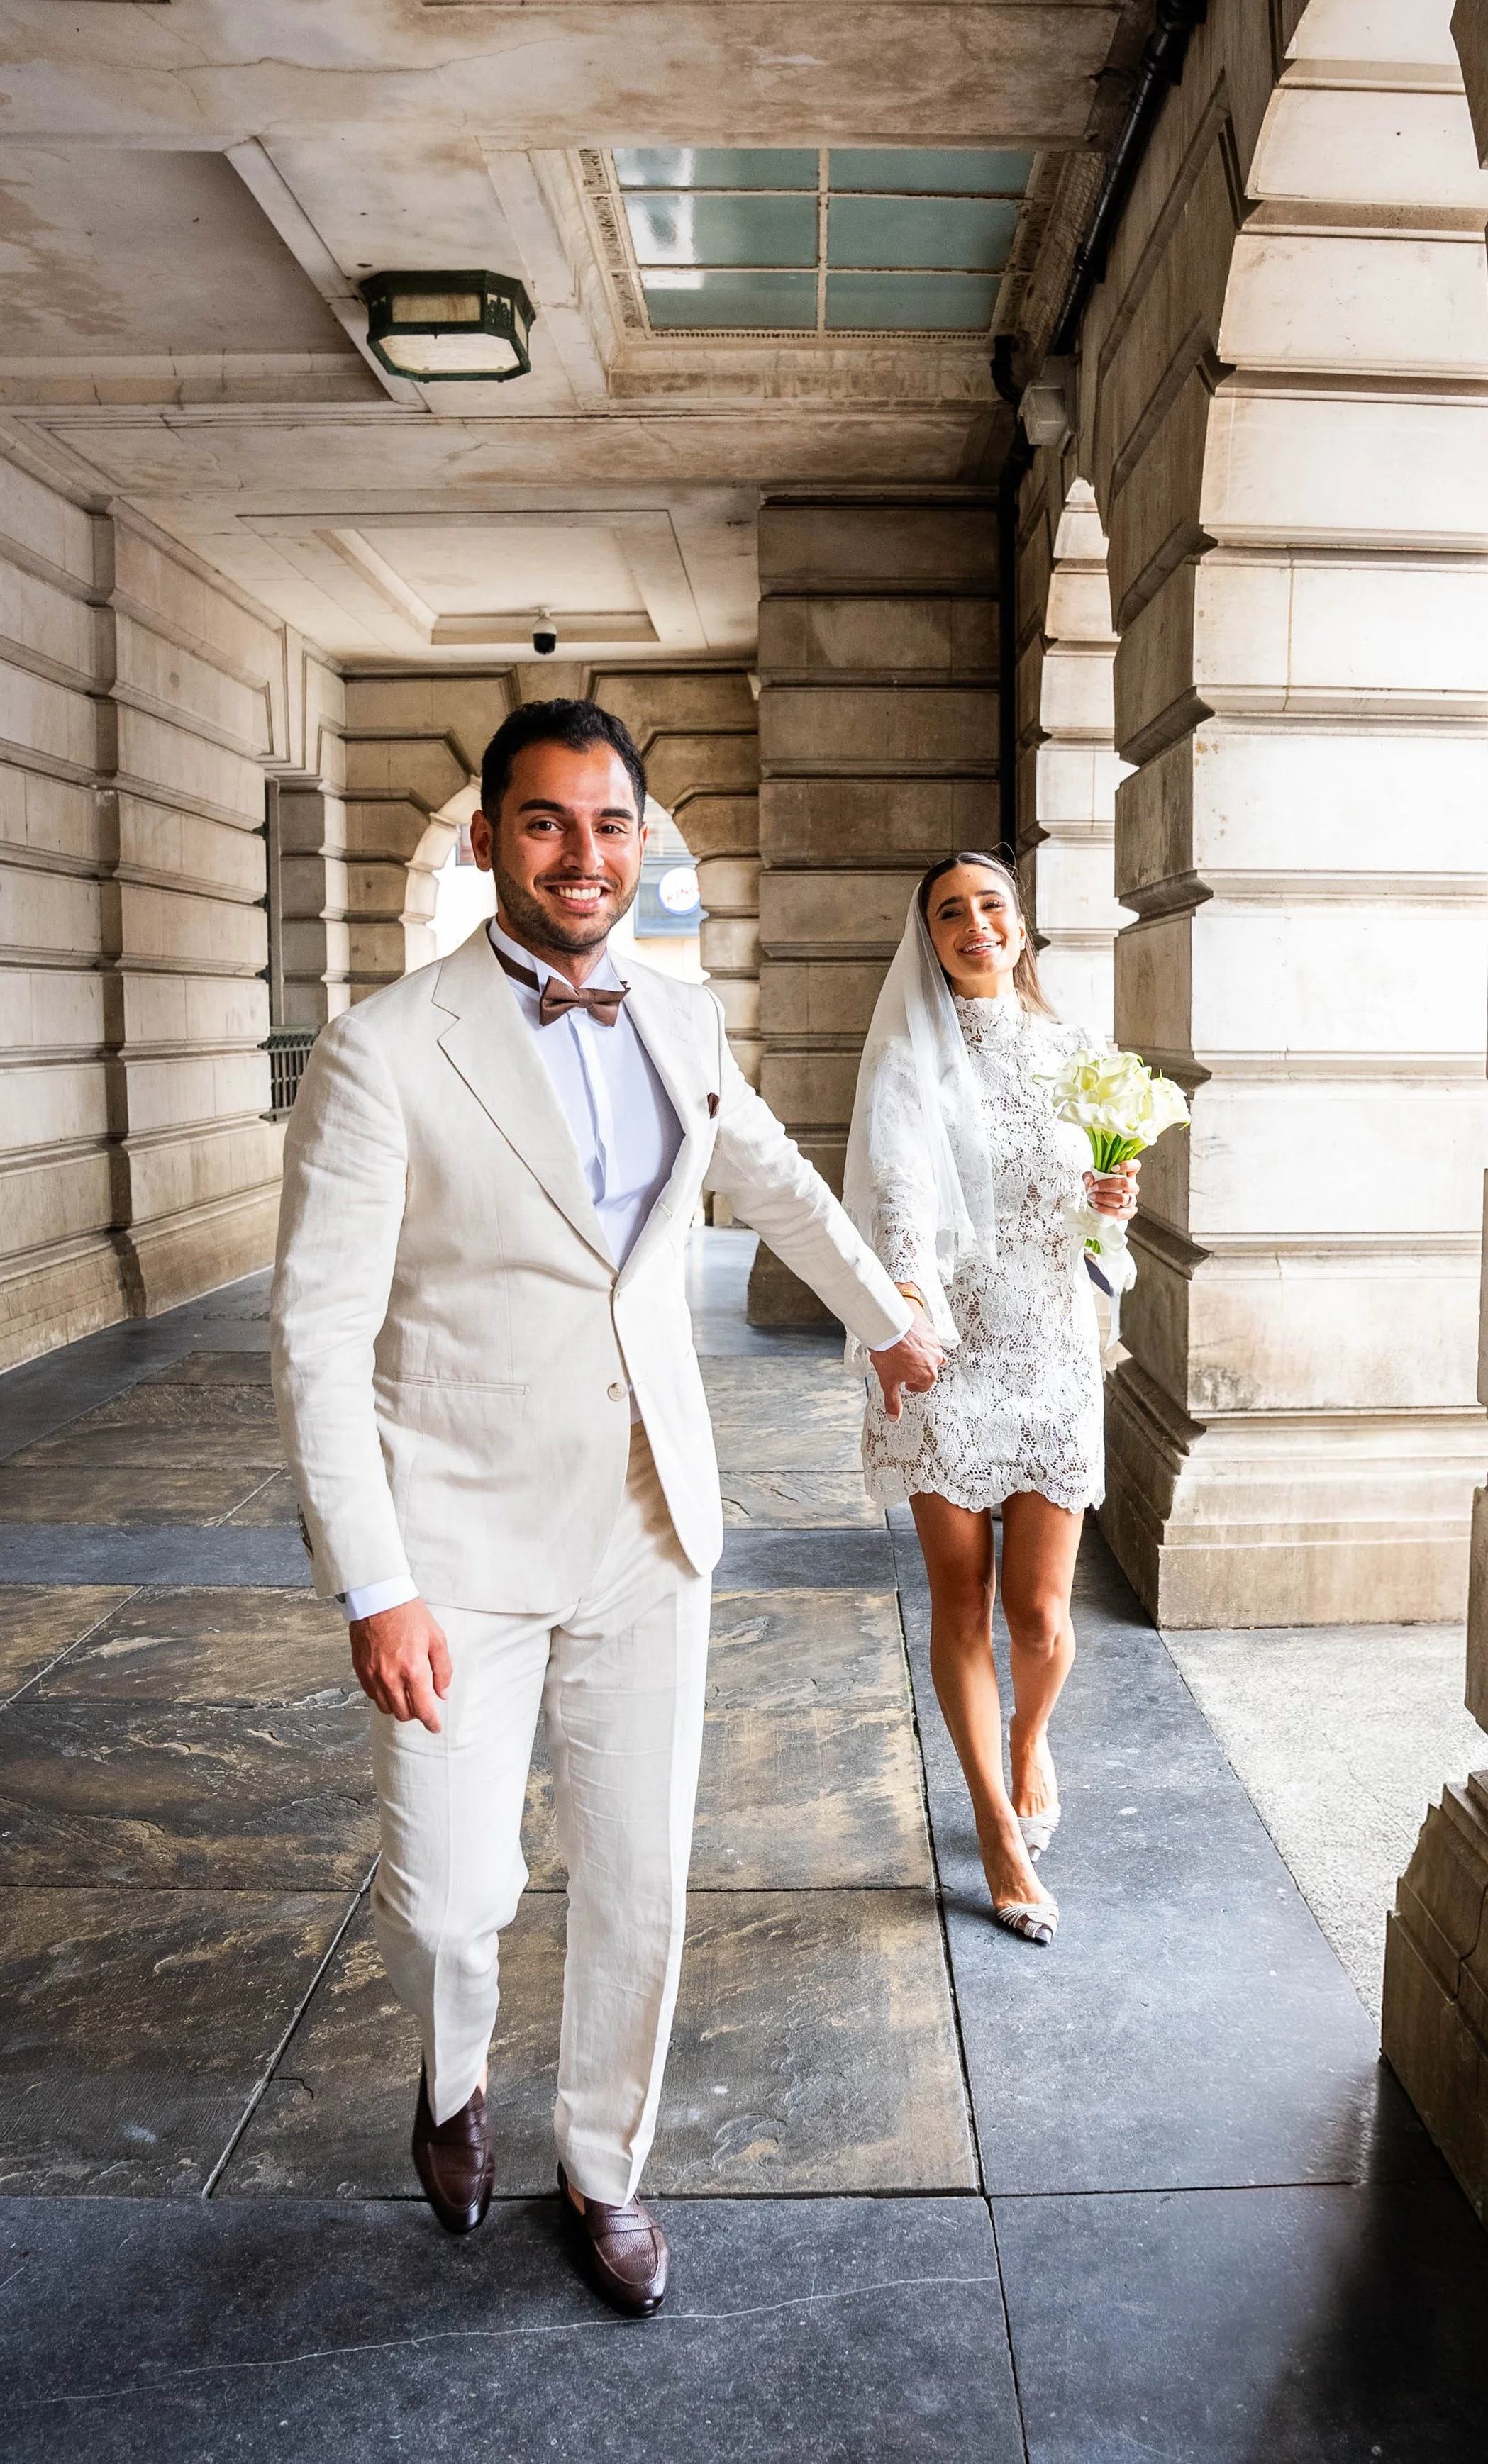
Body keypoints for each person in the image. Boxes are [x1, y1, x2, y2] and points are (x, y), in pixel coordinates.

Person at [271, 696, 943, 2317]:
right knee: (449, 1893)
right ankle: (451, 2072)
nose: (584, 853)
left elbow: (772, 1170)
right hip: (455, 1541)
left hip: (652, 1521)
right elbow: (314, 1333)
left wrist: (885, 1314)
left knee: (638, 1872)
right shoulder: (384, 1047)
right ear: (496, 834)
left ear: (641, 837)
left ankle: (602, 2163)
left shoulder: (679, 1011)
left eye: (611, 822)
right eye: (548, 821)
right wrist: (375, 1585)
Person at [844, 852, 1135, 1948]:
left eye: (992, 906)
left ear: (1021, 925)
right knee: (963, 1608)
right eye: (951, 912)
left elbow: (1097, 1236)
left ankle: (1029, 1736)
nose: (975, 924)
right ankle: (995, 1826)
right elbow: (899, 1187)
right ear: (931, 936)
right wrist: (909, 1299)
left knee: (1045, 1619)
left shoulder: (1077, 1057)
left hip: (1052, 1353)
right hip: (949, 1360)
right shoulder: (911, 1060)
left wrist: (1112, 1201)